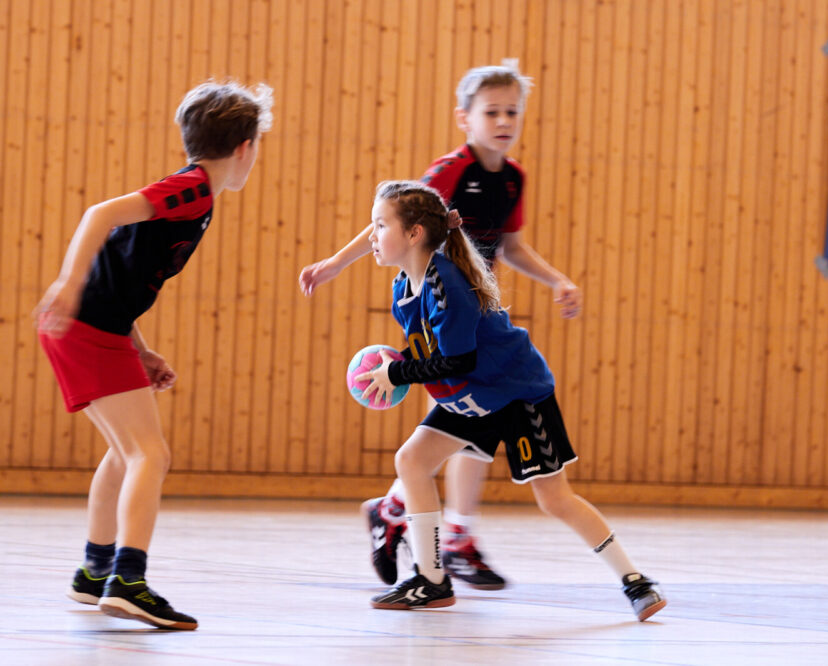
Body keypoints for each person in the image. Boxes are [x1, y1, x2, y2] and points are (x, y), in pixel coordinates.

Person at [299, 65, 581, 590]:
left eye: (511, 111)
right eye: (490, 111)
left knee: (468, 425)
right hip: (440, 310)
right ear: (464, 118)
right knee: (460, 423)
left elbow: (512, 247)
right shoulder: (451, 171)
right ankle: (439, 530)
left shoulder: (513, 177)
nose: (502, 120)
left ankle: (418, 521)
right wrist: (337, 262)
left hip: (480, 316)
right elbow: (394, 219)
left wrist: (556, 279)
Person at [354, 180, 665, 621]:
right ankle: (431, 580)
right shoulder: (404, 289)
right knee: (412, 461)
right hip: (475, 395)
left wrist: (396, 372)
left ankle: (636, 581)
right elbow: (430, 352)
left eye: (380, 224)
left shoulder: (447, 283)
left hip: (518, 394)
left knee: (554, 499)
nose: (371, 235)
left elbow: (457, 359)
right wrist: (391, 369)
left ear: (413, 234)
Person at [34, 80, 274, 630]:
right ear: (245, 148)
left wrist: (138, 349)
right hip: (84, 324)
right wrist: (69, 285)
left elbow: (122, 270)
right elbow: (100, 215)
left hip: (102, 327)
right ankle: (128, 581)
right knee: (151, 454)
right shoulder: (189, 189)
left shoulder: (197, 196)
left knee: (127, 452)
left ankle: (95, 572)